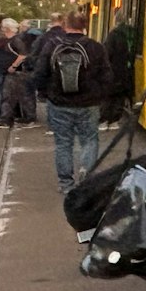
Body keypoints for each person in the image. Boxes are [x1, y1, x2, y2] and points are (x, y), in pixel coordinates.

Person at [31, 11, 109, 194]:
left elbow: (40, 73)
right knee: (89, 140)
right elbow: (107, 76)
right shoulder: (96, 47)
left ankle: (66, 184)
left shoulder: (52, 45)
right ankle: (87, 178)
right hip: (88, 104)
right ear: (85, 25)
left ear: (65, 25)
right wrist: (99, 96)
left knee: (63, 143)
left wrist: (45, 93)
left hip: (59, 103)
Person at [101, 16, 136, 130]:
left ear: (116, 22)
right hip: (125, 73)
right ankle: (114, 121)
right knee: (119, 97)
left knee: (108, 97)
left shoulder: (113, 35)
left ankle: (104, 120)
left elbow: (106, 54)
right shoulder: (131, 35)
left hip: (113, 72)